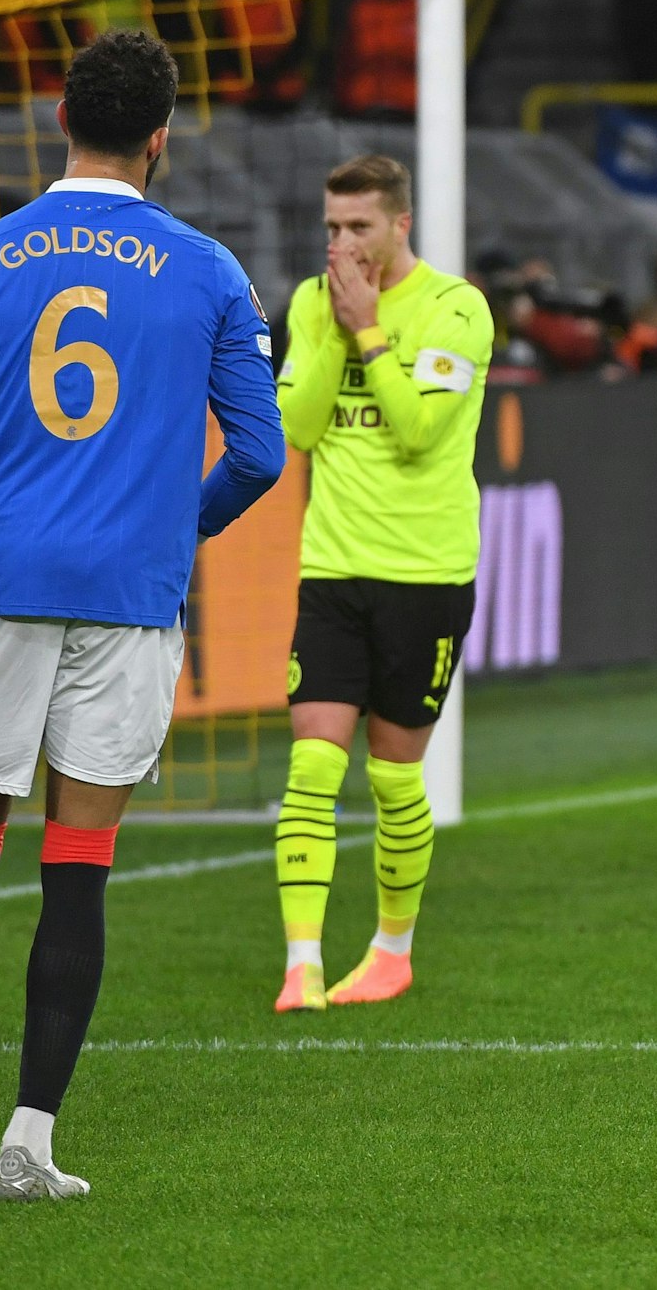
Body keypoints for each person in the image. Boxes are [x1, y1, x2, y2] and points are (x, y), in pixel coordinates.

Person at [0, 30, 284, 1202]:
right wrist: (174, 527)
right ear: (162, 138)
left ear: (61, 120)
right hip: (125, 603)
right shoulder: (207, 270)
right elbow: (258, 451)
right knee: (80, 866)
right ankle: (29, 1144)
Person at [270, 155, 491, 1013]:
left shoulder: (455, 308)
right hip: (332, 566)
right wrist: (331, 327)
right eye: (331, 228)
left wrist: (367, 329)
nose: (341, 244)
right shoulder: (309, 304)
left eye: (358, 227)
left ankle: (391, 951)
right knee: (312, 768)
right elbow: (298, 425)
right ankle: (302, 965)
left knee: (395, 782)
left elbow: (417, 431)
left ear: (401, 225)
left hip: (426, 572)